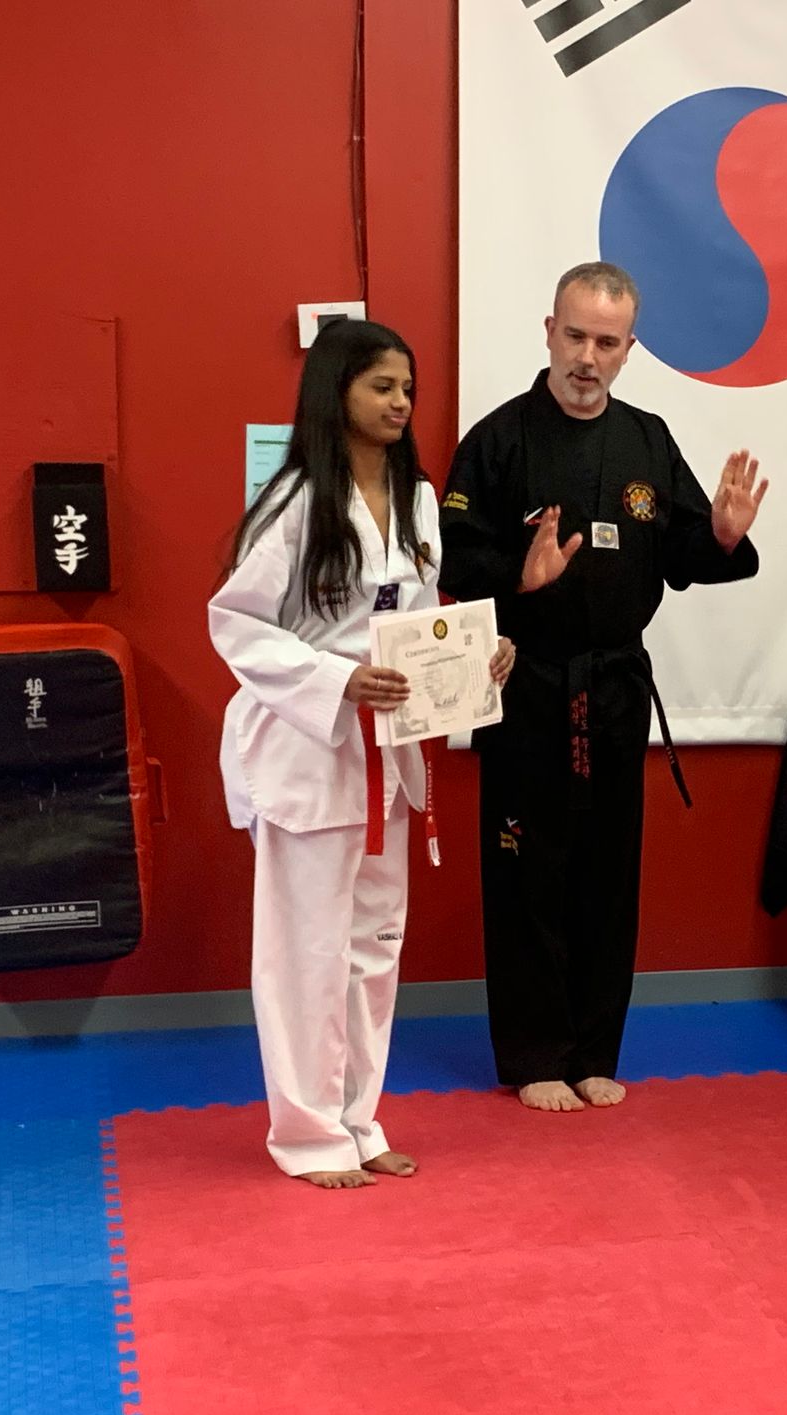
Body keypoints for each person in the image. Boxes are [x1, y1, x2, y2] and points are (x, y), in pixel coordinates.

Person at [439, 261, 768, 1113]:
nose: (589, 358)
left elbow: (685, 554)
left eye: (608, 343)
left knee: (607, 874)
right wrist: (519, 576)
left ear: (630, 350)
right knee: (528, 872)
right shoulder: (498, 440)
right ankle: (536, 1055)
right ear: (549, 332)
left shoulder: (648, 441)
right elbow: (452, 559)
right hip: (527, 683)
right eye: (577, 336)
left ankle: (593, 1051)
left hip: (616, 687)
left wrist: (721, 536)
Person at [209, 319, 516, 1186]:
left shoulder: (418, 499)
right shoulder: (295, 502)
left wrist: (476, 658)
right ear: (335, 390)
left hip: (389, 751)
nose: (400, 402)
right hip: (310, 748)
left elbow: (417, 623)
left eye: (407, 388)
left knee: (375, 944)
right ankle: (307, 1133)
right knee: (307, 950)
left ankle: (357, 1118)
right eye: (382, 386)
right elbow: (235, 624)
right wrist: (335, 680)